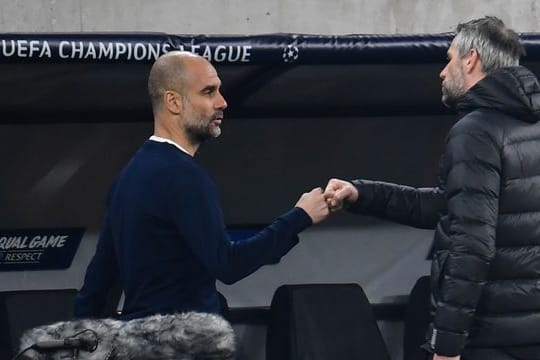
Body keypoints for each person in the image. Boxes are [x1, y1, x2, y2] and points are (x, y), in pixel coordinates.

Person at [325, 16, 540, 360]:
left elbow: (470, 244)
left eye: (449, 57)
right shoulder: (530, 126)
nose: (442, 71)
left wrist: (447, 344)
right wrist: (361, 194)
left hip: (487, 341)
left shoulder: (476, 131)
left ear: (471, 59)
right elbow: (450, 209)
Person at [74, 51, 329, 320]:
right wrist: (300, 217)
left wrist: (79, 341)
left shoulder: (128, 176)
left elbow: (99, 283)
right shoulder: (182, 176)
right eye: (208, 92)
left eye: (219, 91)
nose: (222, 102)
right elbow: (228, 264)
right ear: (173, 102)